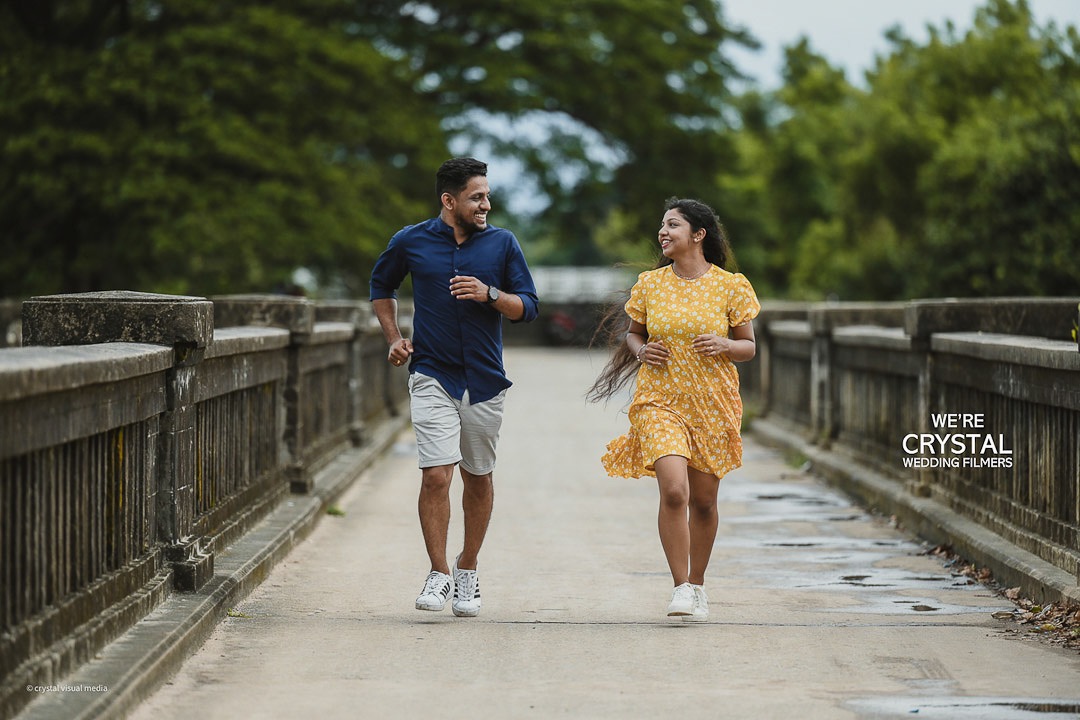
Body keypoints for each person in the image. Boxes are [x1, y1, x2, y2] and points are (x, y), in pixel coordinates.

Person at [369, 157, 539, 617]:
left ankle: (468, 568)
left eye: (486, 195)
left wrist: (491, 294)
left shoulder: (503, 244)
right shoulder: (411, 240)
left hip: (484, 380)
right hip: (431, 373)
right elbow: (381, 285)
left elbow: (529, 306)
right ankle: (439, 573)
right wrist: (394, 337)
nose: (487, 203)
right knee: (436, 474)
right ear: (449, 200)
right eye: (476, 196)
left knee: (478, 477)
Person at [587, 197, 759, 621]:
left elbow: (749, 347)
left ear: (698, 235)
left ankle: (698, 585)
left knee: (703, 501)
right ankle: (681, 586)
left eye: (673, 225)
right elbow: (633, 334)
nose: (663, 233)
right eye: (662, 226)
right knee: (675, 491)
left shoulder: (731, 285)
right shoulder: (650, 284)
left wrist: (725, 345)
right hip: (659, 401)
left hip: (712, 404)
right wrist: (642, 351)